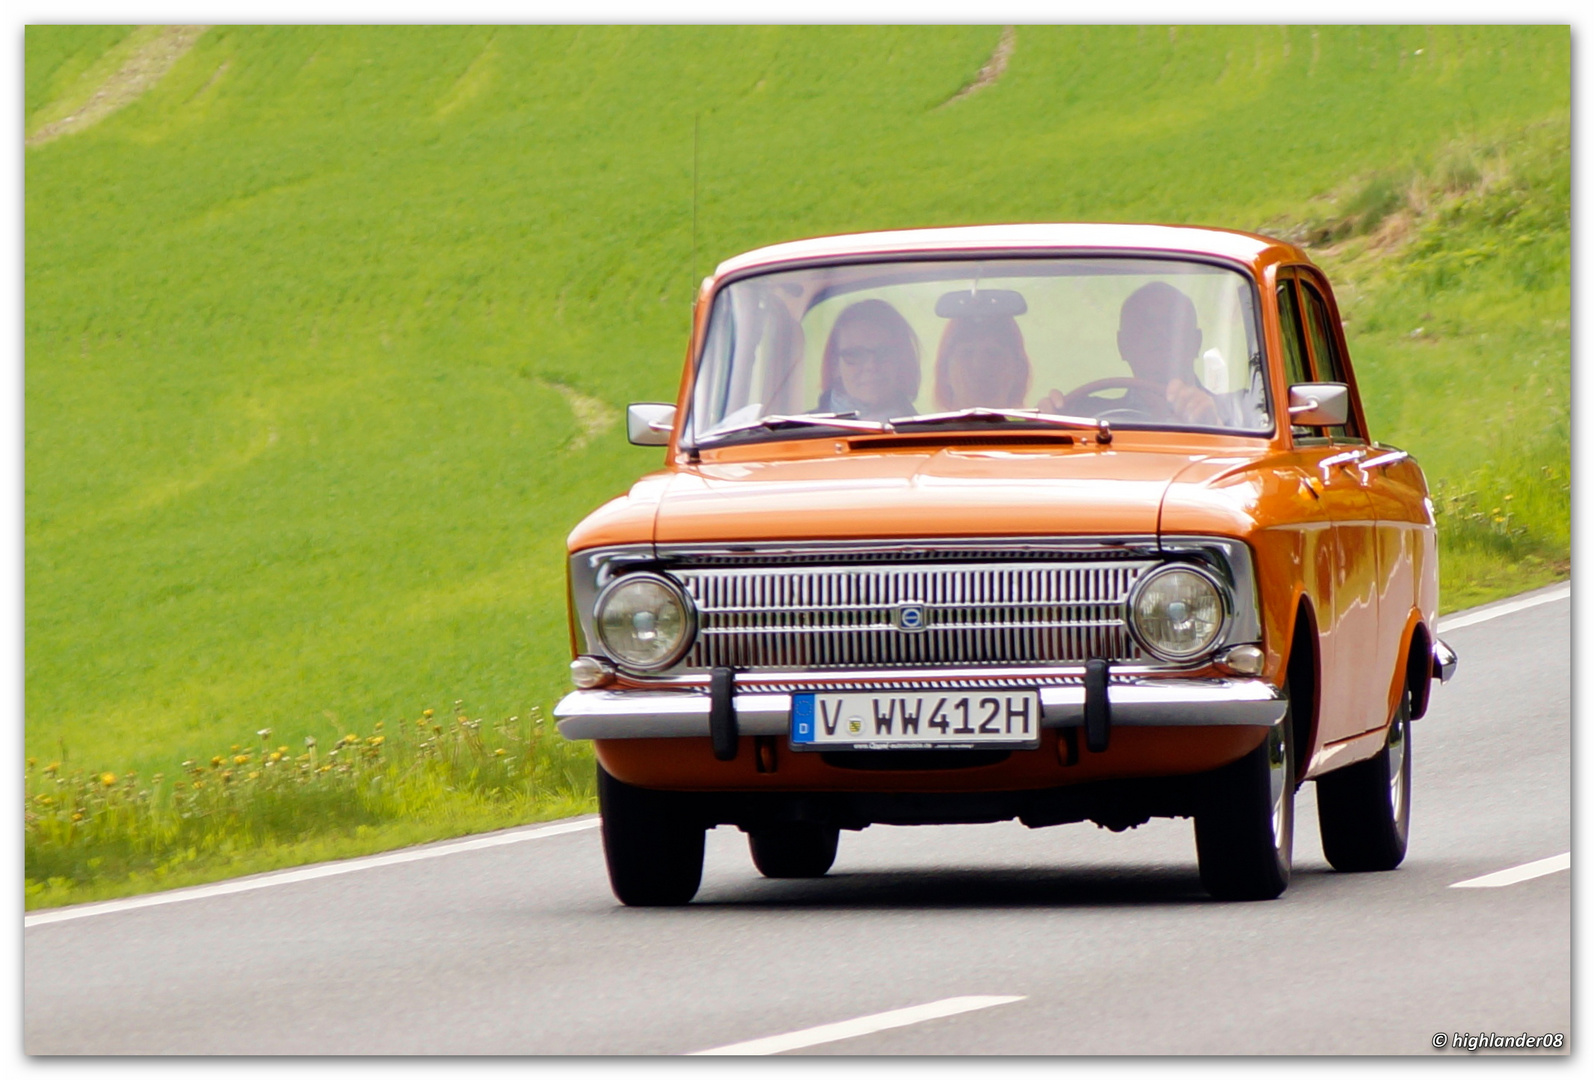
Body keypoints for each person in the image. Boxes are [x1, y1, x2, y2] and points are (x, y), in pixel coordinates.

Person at [1039, 281, 1220, 425]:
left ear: (1196, 341)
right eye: (1143, 326)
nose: (1158, 334)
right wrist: (1051, 422)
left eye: (1172, 324)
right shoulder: (1084, 417)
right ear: (1122, 345)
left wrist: (1214, 424)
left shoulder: (1238, 416)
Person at [817, 299, 921, 421]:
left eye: (884, 352)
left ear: (902, 361)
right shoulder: (800, 434)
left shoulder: (927, 435)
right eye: (855, 354)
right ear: (835, 365)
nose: (871, 366)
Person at [934, 315, 1032, 412]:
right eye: (967, 353)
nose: (979, 365)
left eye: (993, 354)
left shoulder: (1041, 427)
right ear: (944, 371)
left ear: (1020, 370)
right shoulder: (923, 428)